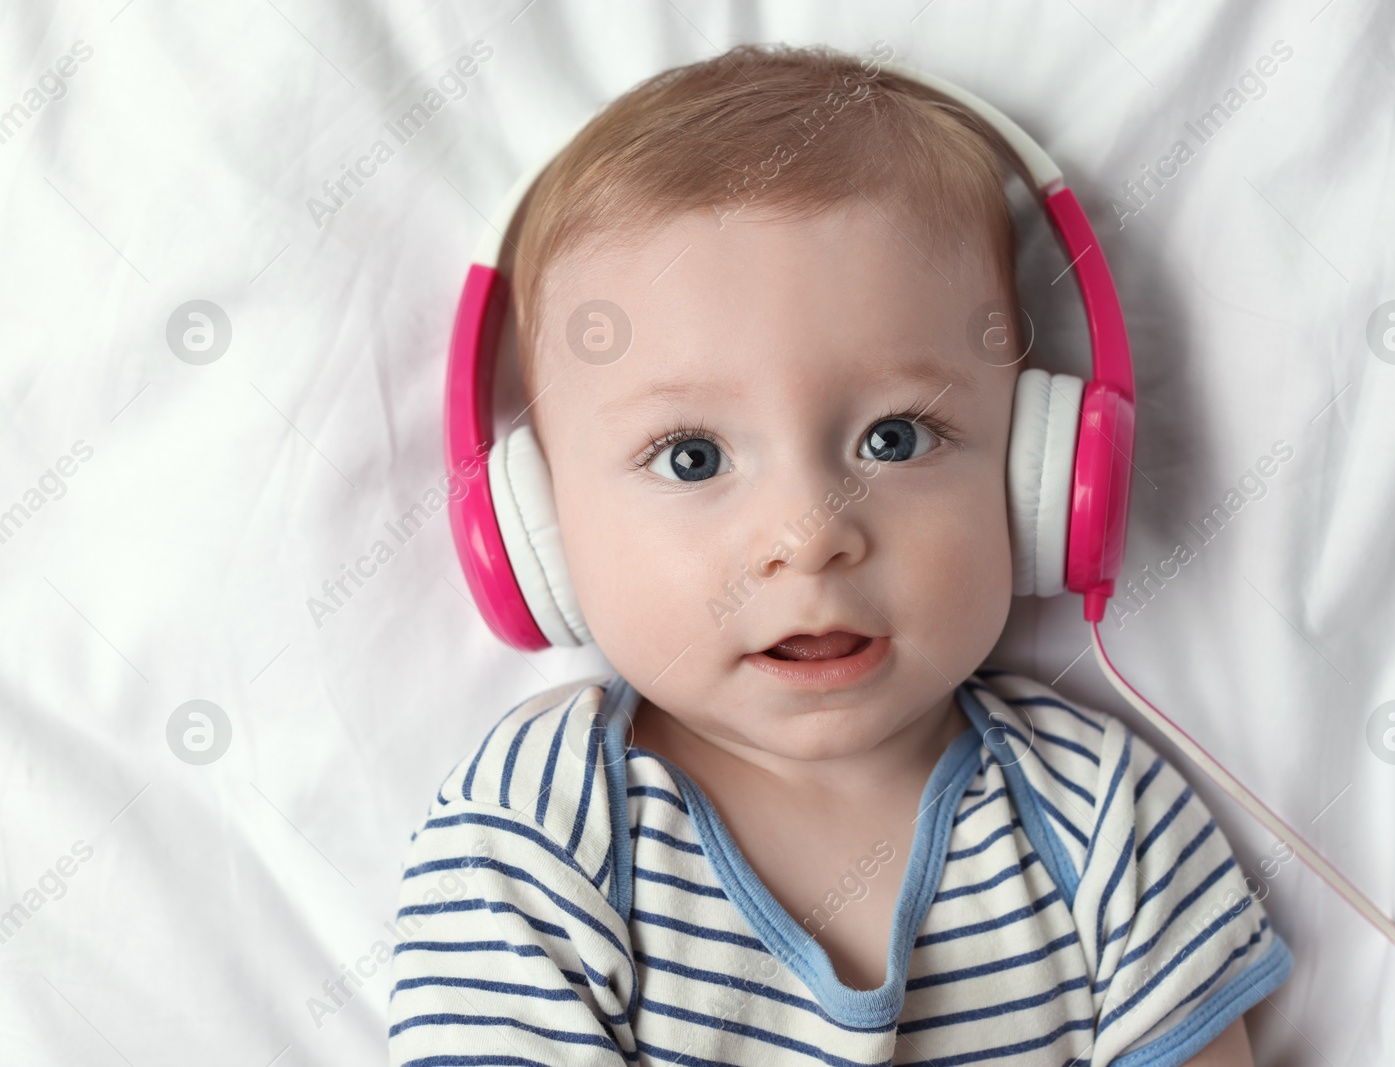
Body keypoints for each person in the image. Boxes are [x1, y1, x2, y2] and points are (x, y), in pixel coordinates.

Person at [388, 43, 1291, 1067]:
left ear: (1042, 477)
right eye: (691, 456)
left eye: (893, 438)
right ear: (532, 529)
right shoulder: (539, 823)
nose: (810, 533)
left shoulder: (1100, 816)